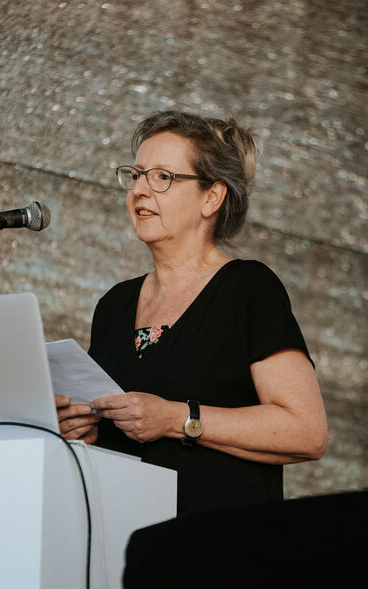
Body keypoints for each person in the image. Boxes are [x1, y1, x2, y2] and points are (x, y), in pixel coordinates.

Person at [56, 110, 327, 515]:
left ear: (211, 198)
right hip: (127, 537)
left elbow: (306, 432)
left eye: (162, 177)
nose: (139, 190)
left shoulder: (248, 289)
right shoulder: (114, 304)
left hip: (220, 541)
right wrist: (83, 433)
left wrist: (175, 419)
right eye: (136, 175)